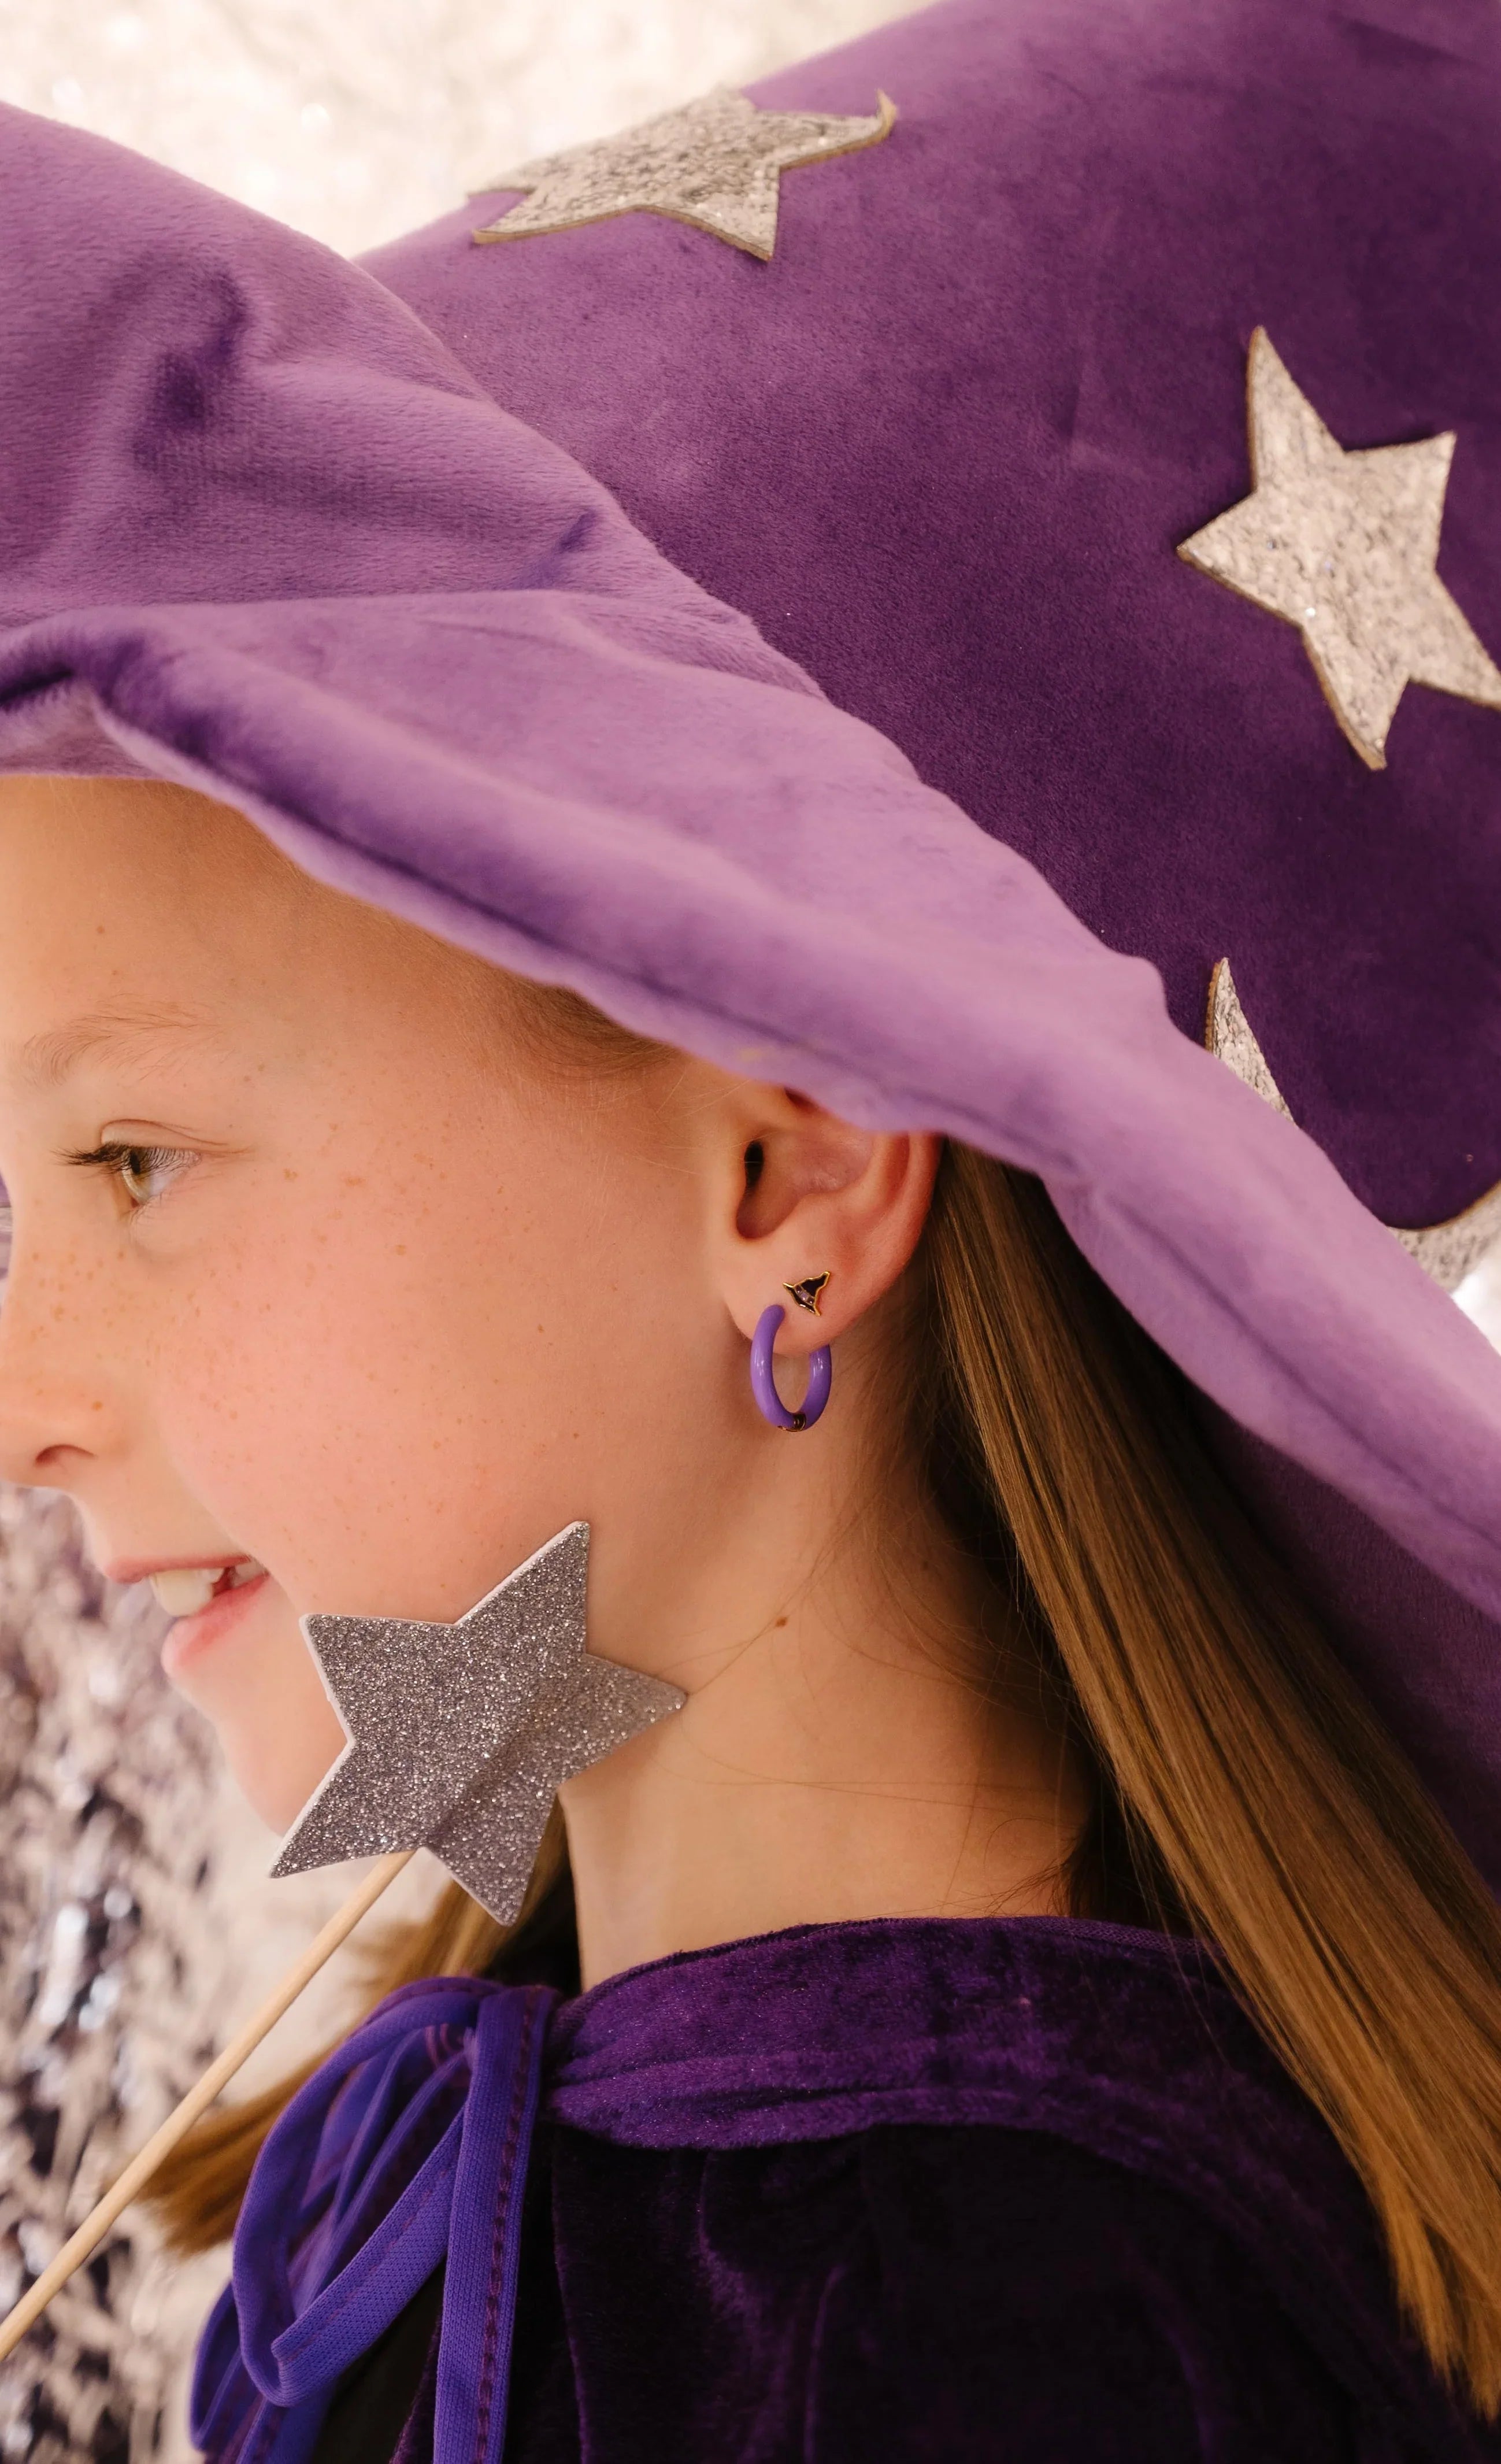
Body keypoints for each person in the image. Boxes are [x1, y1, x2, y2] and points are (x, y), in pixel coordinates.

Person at [0, 0, 1500, 2456]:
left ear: (776, 1177)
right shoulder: (526, 2165)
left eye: (135, 1162)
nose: (21, 1405)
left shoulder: (1001, 2337)